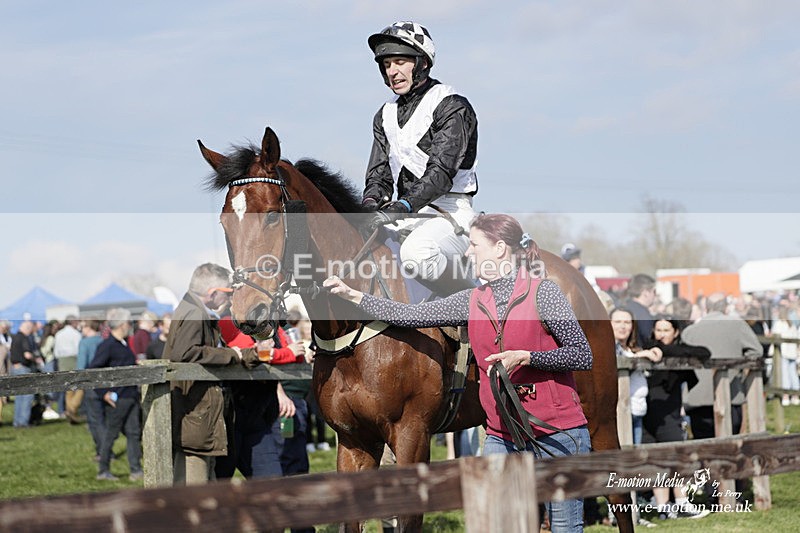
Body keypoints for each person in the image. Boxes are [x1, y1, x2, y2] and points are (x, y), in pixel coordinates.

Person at [325, 213, 592, 532]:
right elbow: (411, 315)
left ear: (500, 249)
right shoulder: (471, 299)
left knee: (564, 526)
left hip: (557, 432)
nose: (467, 253)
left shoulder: (545, 294)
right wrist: (353, 296)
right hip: (501, 435)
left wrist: (529, 357)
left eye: (474, 245)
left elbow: (581, 354)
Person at [363, 21, 479, 290]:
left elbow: (440, 175)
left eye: (400, 62)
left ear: (423, 63)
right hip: (403, 216)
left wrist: (402, 206)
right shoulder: (384, 115)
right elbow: (378, 175)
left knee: (417, 254)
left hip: (449, 214)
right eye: (387, 64)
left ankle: (472, 309)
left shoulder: (452, 106)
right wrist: (369, 205)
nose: (393, 71)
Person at [163, 263, 261, 485]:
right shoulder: (194, 314)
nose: (230, 298)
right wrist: (231, 355)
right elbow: (185, 352)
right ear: (213, 294)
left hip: (198, 412)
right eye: (228, 292)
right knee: (193, 490)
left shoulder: (193, 309)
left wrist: (240, 354)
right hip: (194, 413)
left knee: (204, 486)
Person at [645, 316, 711, 520]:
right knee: (659, 459)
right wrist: (661, 350)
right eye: (658, 330)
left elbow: (704, 353)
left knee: (674, 456)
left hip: (670, 410)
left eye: (666, 330)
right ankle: (666, 506)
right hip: (650, 410)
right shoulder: (648, 347)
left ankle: (679, 503)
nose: (662, 334)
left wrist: (666, 351)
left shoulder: (672, 350)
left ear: (676, 332)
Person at [682, 293, 763, 439]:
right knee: (731, 447)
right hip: (731, 395)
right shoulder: (737, 325)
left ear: (705, 308)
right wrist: (740, 369)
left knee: (704, 447)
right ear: (725, 307)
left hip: (698, 398)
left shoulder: (690, 332)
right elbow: (757, 351)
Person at [88, 308, 143, 481]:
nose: (130, 326)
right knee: (111, 434)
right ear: (121, 324)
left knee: (134, 433)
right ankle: (103, 470)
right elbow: (93, 371)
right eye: (128, 323)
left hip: (131, 395)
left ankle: (136, 470)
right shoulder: (108, 345)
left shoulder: (124, 343)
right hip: (117, 398)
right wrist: (104, 393)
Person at [609, 307, 662, 445]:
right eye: (618, 321)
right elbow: (614, 365)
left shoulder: (633, 348)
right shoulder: (609, 347)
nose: (623, 326)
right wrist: (640, 356)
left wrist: (657, 351)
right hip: (621, 412)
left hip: (638, 410)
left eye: (627, 322)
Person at [78, 320, 105, 461]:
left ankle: (102, 452)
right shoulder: (103, 340)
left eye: (83, 327)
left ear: (88, 327)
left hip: (91, 384)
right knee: (104, 419)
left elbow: (81, 366)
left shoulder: (85, 343)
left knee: (95, 421)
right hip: (105, 383)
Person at [9, 320, 44, 428]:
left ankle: (17, 422)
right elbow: (27, 355)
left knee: (19, 396)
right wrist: (36, 359)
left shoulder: (15, 337)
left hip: (15, 368)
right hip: (23, 369)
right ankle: (23, 422)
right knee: (27, 395)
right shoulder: (24, 338)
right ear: (28, 328)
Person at [54, 315, 83, 422]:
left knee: (68, 388)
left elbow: (56, 351)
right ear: (73, 322)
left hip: (62, 360)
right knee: (78, 387)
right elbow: (78, 348)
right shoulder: (76, 334)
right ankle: (71, 410)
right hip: (73, 359)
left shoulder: (59, 334)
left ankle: (69, 410)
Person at [770, 304, 800, 406]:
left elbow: (774, 336)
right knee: (793, 374)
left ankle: (786, 396)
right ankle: (795, 396)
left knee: (785, 375)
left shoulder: (779, 324)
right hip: (791, 352)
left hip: (783, 352)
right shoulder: (791, 324)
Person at [625, 274, 657, 348]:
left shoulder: (622, 308)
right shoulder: (643, 315)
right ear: (646, 293)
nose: (655, 295)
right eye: (654, 291)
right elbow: (648, 340)